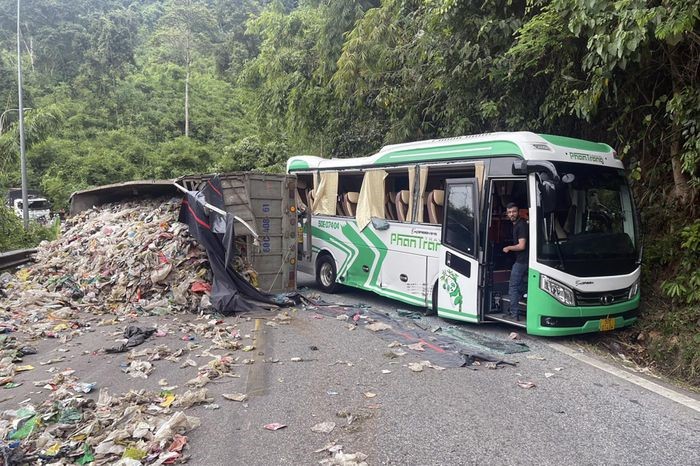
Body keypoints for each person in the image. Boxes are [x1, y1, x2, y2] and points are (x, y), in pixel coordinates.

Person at [503, 202, 528, 318]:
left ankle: (513, 313)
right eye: (509, 212)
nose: (511, 214)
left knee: (513, 286)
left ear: (518, 212)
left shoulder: (521, 225)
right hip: (523, 260)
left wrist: (508, 248)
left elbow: (521, 245)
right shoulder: (517, 224)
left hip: (522, 261)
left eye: (514, 211)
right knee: (522, 285)